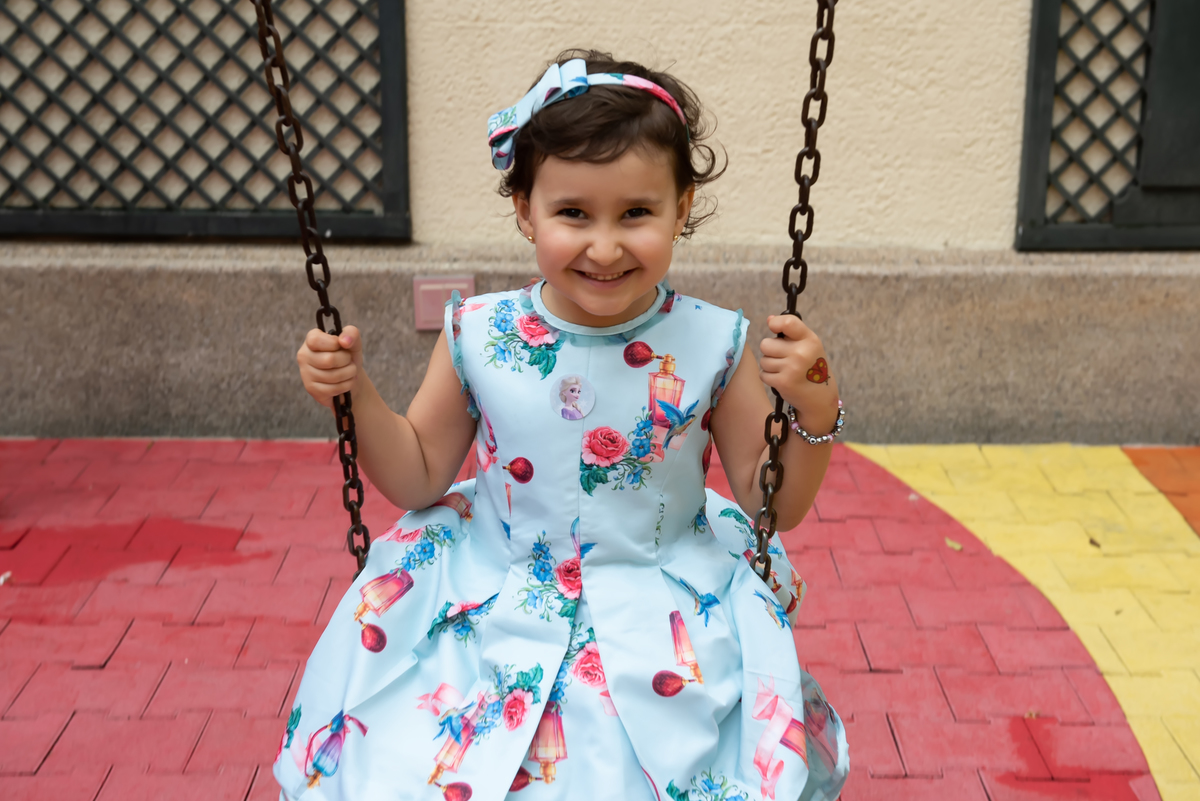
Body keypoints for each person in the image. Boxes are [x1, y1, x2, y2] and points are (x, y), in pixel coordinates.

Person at [282, 49, 849, 801]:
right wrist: (354, 394)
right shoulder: (480, 333)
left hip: (661, 605)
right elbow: (417, 474)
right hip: (495, 588)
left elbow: (772, 502)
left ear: (682, 207)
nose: (604, 247)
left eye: (637, 213)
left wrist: (814, 409)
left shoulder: (714, 342)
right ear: (526, 210)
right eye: (573, 213)